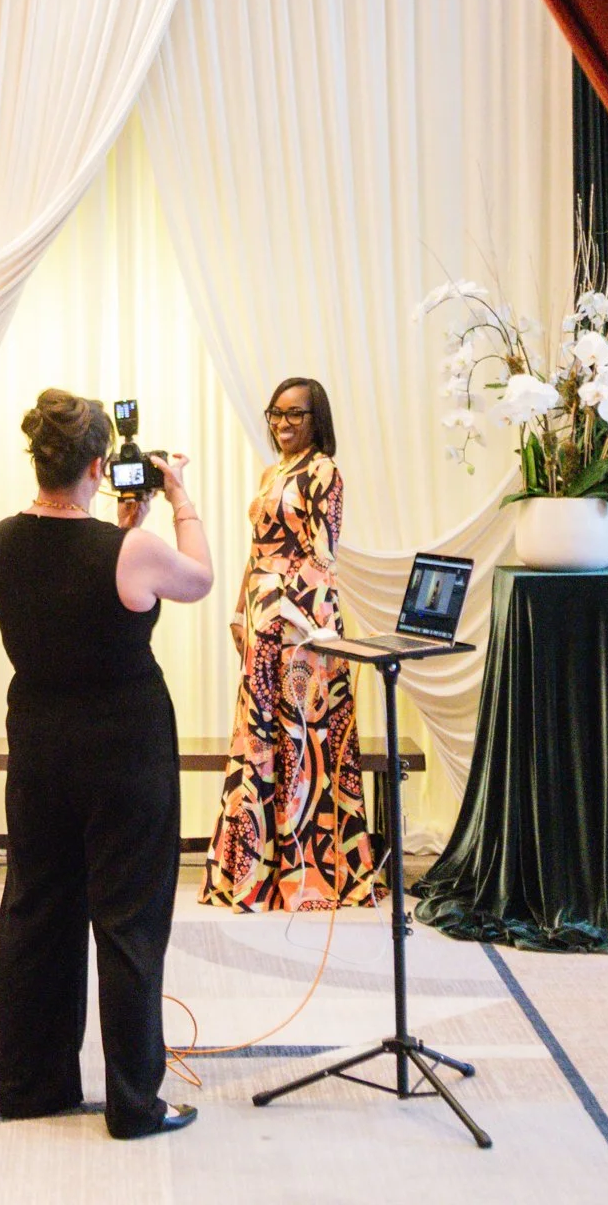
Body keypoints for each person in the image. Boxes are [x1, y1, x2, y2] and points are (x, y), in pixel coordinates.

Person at [0, 387, 214, 1140]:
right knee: (127, 923)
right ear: (97, 463)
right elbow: (197, 579)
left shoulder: (1, 541)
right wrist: (178, 497)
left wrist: (120, 534)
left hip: (39, 743)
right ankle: (133, 1104)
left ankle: (30, 1083)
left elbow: (63, 590)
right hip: (123, 749)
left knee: (35, 909)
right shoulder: (132, 550)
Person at [202, 375, 377, 911]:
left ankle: (309, 875)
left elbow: (324, 556)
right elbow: (259, 550)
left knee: (304, 743)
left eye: (294, 414)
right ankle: (253, 871)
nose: (282, 423)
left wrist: (295, 617)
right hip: (263, 620)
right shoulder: (271, 472)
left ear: (315, 418)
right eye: (276, 413)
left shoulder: (325, 471)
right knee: (259, 742)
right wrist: (240, 611)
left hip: (302, 628)